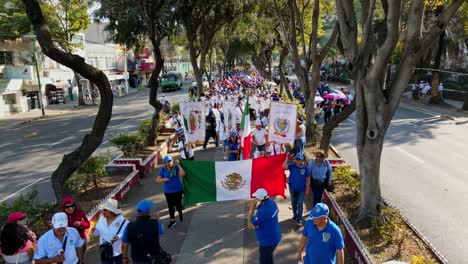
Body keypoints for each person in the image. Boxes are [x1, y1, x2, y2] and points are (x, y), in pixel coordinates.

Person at [121, 200, 166, 264]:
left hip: (137, 259)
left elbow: (124, 245)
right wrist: (157, 219)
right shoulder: (154, 223)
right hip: (154, 259)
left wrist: (125, 258)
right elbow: (161, 231)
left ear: (138, 212)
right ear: (148, 212)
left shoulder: (129, 226)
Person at [247, 188, 281, 264]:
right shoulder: (272, 202)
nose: (255, 200)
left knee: (264, 260)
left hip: (267, 242)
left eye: (256, 198)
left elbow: (250, 226)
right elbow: (277, 210)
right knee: (269, 257)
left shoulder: (262, 213)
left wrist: (251, 209)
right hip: (275, 237)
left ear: (260, 200)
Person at [92, 199, 129, 264]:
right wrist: (94, 231)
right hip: (105, 251)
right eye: (103, 210)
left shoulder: (123, 222)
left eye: (105, 210)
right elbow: (97, 233)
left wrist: (119, 236)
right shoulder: (101, 219)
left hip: (118, 252)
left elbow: (127, 233)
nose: (103, 212)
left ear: (112, 211)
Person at [155, 155, 186, 229]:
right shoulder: (163, 170)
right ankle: (172, 220)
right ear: (165, 163)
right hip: (168, 192)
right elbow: (157, 180)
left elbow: (183, 174)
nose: (169, 163)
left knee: (178, 205)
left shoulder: (175, 167)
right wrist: (164, 179)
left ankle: (180, 213)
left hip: (178, 190)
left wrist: (179, 164)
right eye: (167, 162)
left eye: (170, 161)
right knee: (170, 206)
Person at [283, 153, 310, 227]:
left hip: (301, 190)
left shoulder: (305, 168)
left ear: (302, 160)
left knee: (300, 204)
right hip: (292, 188)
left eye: (299, 159)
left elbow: (308, 178)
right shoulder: (292, 165)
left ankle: (299, 220)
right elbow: (283, 167)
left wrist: (307, 189)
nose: (297, 161)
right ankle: (295, 216)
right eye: (296, 159)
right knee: (293, 203)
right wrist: (287, 159)